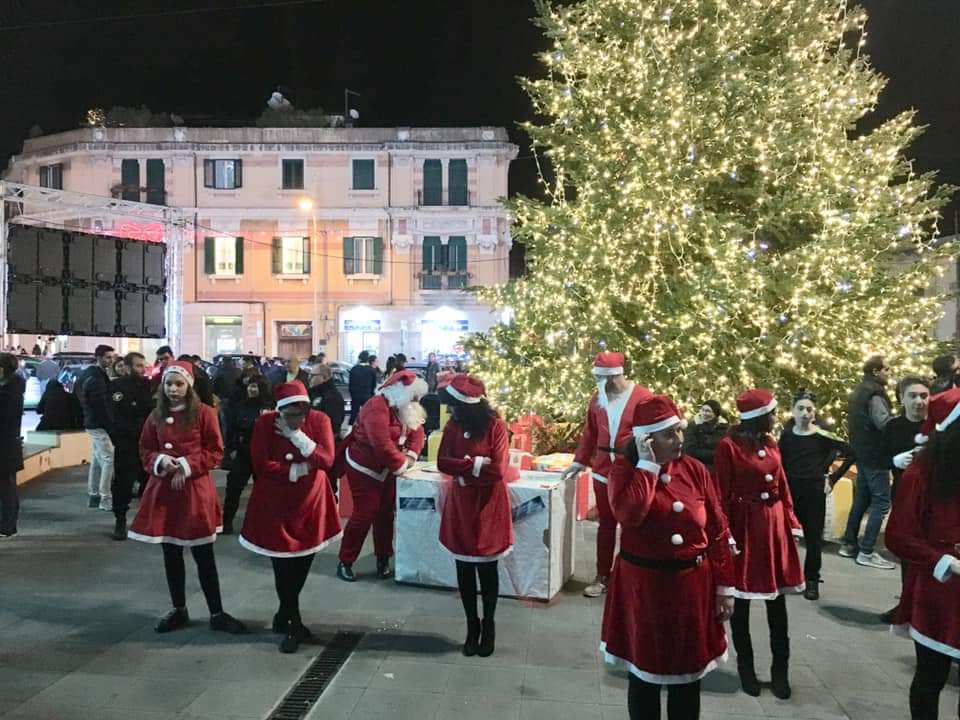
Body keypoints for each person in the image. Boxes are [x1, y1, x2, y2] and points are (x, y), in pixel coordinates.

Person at [601, 395, 736, 720]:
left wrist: (725, 587)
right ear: (646, 439)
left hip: (691, 590)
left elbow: (718, 528)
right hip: (643, 591)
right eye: (669, 434)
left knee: (687, 682)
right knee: (644, 679)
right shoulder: (624, 470)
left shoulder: (694, 470)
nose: (679, 440)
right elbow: (629, 514)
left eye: (679, 431)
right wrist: (647, 466)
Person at [128, 361, 247, 635]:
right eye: (168, 384)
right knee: (170, 552)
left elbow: (215, 451)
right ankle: (178, 608)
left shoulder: (205, 413)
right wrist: (160, 461)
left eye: (179, 384)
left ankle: (216, 611)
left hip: (194, 493)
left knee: (203, 554)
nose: (173, 389)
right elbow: (145, 448)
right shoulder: (155, 416)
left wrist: (184, 465)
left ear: (189, 386)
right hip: (164, 493)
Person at [714, 389, 804, 699]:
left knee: (777, 604)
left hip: (773, 528)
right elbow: (721, 493)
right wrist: (725, 533)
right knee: (742, 604)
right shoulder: (729, 447)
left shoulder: (770, 442)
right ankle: (747, 670)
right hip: (746, 528)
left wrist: (791, 521)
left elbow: (782, 483)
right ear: (759, 416)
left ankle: (781, 672)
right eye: (772, 412)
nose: (776, 418)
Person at [240, 381, 341, 653]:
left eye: (300, 413)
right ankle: (293, 622)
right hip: (276, 502)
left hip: (310, 500)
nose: (296, 418)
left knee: (303, 561)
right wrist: (297, 468)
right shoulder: (265, 424)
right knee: (283, 564)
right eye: (290, 413)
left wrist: (297, 437)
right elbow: (261, 463)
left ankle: (283, 613)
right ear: (280, 410)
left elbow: (326, 459)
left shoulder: (319, 420)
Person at [886, 387, 960, 720]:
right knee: (931, 677)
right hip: (938, 589)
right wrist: (942, 561)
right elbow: (899, 536)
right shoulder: (921, 474)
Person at [561, 351, 653, 598]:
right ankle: (603, 574)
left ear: (615, 377)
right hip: (603, 469)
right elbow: (590, 432)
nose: (600, 384)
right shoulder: (597, 399)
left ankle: (632, 574)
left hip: (632, 469)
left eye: (604, 379)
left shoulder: (643, 397)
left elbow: (652, 431)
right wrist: (580, 461)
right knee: (606, 525)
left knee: (633, 524)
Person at [437, 374, 513, 657]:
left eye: (454, 406)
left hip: (487, 505)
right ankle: (472, 625)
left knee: (487, 568)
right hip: (462, 504)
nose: (450, 411)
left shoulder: (495, 427)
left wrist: (466, 470)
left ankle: (489, 624)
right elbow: (443, 461)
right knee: (464, 569)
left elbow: (498, 470)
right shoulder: (453, 427)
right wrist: (476, 464)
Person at [337, 370, 427, 581]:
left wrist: (412, 456)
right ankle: (346, 560)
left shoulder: (407, 407)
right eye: (413, 395)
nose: (417, 400)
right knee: (365, 512)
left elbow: (418, 432)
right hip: (364, 465)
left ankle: (383, 558)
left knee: (386, 513)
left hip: (390, 467)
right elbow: (381, 444)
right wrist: (402, 463)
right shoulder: (376, 407)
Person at [777, 389, 854, 601]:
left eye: (809, 409)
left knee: (813, 538)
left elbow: (850, 452)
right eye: (800, 409)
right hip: (790, 491)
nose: (805, 413)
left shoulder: (822, 436)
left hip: (813, 491)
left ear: (814, 412)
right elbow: (779, 460)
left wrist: (831, 477)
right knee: (784, 535)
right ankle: (784, 575)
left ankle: (811, 580)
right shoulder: (787, 435)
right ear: (793, 411)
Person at [878, 376, 930, 623]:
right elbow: (880, 459)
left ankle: (922, 607)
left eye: (923, 395)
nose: (919, 401)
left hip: (931, 500)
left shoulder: (937, 427)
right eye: (913, 396)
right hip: (903, 496)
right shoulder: (894, 427)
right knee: (906, 553)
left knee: (927, 553)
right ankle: (906, 604)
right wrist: (894, 461)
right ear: (902, 399)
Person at [840, 355, 897, 569]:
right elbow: (883, 422)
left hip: (862, 452)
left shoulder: (859, 391)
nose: (889, 373)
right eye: (887, 369)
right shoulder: (875, 394)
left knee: (862, 498)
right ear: (875, 371)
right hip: (875, 454)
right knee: (882, 501)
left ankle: (848, 544)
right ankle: (867, 550)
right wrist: (900, 425)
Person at [109, 352, 154, 540]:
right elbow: (115, 415)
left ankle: (147, 521)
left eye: (143, 366)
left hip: (148, 443)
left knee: (150, 483)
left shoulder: (149, 386)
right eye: (138, 366)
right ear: (127, 367)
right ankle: (120, 521)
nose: (142, 370)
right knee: (123, 484)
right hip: (127, 442)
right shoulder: (117, 387)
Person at [222, 375, 272, 534]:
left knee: (263, 491)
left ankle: (261, 524)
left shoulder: (270, 406)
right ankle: (226, 522)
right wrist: (231, 449)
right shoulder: (240, 406)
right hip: (242, 453)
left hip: (263, 455)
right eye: (250, 386)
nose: (251, 389)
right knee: (233, 488)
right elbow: (231, 429)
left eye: (255, 386)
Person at [77, 344, 117, 511]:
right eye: (108, 357)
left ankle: (94, 494)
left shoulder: (88, 375)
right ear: (99, 358)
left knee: (96, 459)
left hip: (90, 422)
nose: (111, 360)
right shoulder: (97, 379)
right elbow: (101, 406)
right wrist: (111, 425)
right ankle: (105, 498)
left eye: (112, 357)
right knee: (108, 459)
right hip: (98, 424)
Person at [0, 354, 25, 538]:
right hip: (9, 445)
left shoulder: (8, 393)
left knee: (6, 488)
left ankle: (7, 526)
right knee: (7, 487)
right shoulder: (13, 388)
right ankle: (8, 525)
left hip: (5, 445)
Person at [683, 400, 729, 472]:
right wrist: (716, 454)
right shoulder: (694, 426)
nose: (704, 413)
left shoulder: (723, 428)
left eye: (708, 411)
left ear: (715, 413)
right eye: (702, 410)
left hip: (718, 468)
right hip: (698, 467)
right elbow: (690, 450)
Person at [308, 364, 345, 437]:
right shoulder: (313, 392)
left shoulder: (333, 397)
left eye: (313, 375)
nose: (309, 378)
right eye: (309, 375)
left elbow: (334, 425)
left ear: (324, 377)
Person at [348, 351, 378, 422]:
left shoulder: (354, 369)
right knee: (367, 415)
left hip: (355, 396)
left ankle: (353, 428)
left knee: (354, 414)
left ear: (359, 358)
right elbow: (374, 385)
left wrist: (352, 394)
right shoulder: (372, 370)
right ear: (367, 359)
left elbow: (350, 384)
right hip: (367, 396)